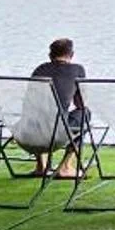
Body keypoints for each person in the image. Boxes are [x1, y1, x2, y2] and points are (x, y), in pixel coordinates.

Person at [29, 38, 93, 179]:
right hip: (56, 134)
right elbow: (80, 104)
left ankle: (41, 166)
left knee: (40, 115)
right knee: (85, 114)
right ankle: (65, 167)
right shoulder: (77, 70)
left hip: (30, 134)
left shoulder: (40, 69)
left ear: (50, 55)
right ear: (72, 54)